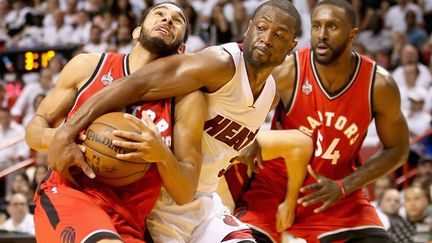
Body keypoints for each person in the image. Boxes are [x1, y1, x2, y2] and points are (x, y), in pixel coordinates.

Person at [47, 0, 303, 242]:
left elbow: (223, 134)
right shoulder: (218, 63)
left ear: (291, 46)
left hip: (204, 202)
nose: (267, 39)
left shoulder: (270, 93)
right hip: (162, 203)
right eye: (261, 28)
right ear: (248, 28)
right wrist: (68, 130)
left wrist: (248, 144)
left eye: (279, 35)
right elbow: (136, 84)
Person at [25, 2, 206, 242]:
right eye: (159, 13)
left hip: (128, 218)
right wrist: (62, 138)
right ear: (136, 31)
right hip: (70, 195)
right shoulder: (88, 67)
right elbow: (35, 128)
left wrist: (161, 154)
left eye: (177, 20)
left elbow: (185, 192)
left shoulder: (187, 99)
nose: (167, 20)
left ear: (182, 49)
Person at [233, 0, 410, 242]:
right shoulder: (287, 71)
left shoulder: (379, 85)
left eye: (332, 27)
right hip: (274, 189)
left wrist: (344, 186)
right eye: (316, 27)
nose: (321, 35)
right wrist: (249, 134)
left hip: (336, 191)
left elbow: (398, 149)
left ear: (353, 35)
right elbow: (238, 113)